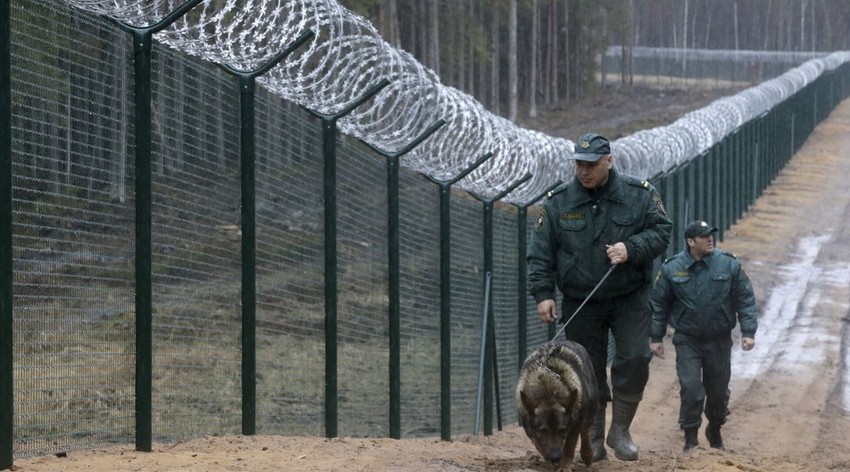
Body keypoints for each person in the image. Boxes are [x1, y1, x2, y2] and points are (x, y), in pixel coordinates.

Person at [527, 132, 672, 462]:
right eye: (579, 164)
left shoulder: (639, 195)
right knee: (584, 372)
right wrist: (543, 294)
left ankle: (620, 429)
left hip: (629, 296)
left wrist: (630, 248)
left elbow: (662, 230)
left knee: (635, 357)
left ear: (609, 161)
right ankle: (592, 437)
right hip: (581, 300)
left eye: (591, 164)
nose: (584, 171)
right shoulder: (558, 202)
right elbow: (540, 253)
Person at [649, 220, 758, 452]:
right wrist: (656, 337)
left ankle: (715, 428)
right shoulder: (672, 268)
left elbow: (745, 298)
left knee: (718, 391)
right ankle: (691, 438)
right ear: (690, 241)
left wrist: (748, 331)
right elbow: (660, 304)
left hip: (719, 339)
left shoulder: (727, 264)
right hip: (688, 339)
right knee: (690, 388)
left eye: (711, 235)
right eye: (704, 236)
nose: (710, 239)